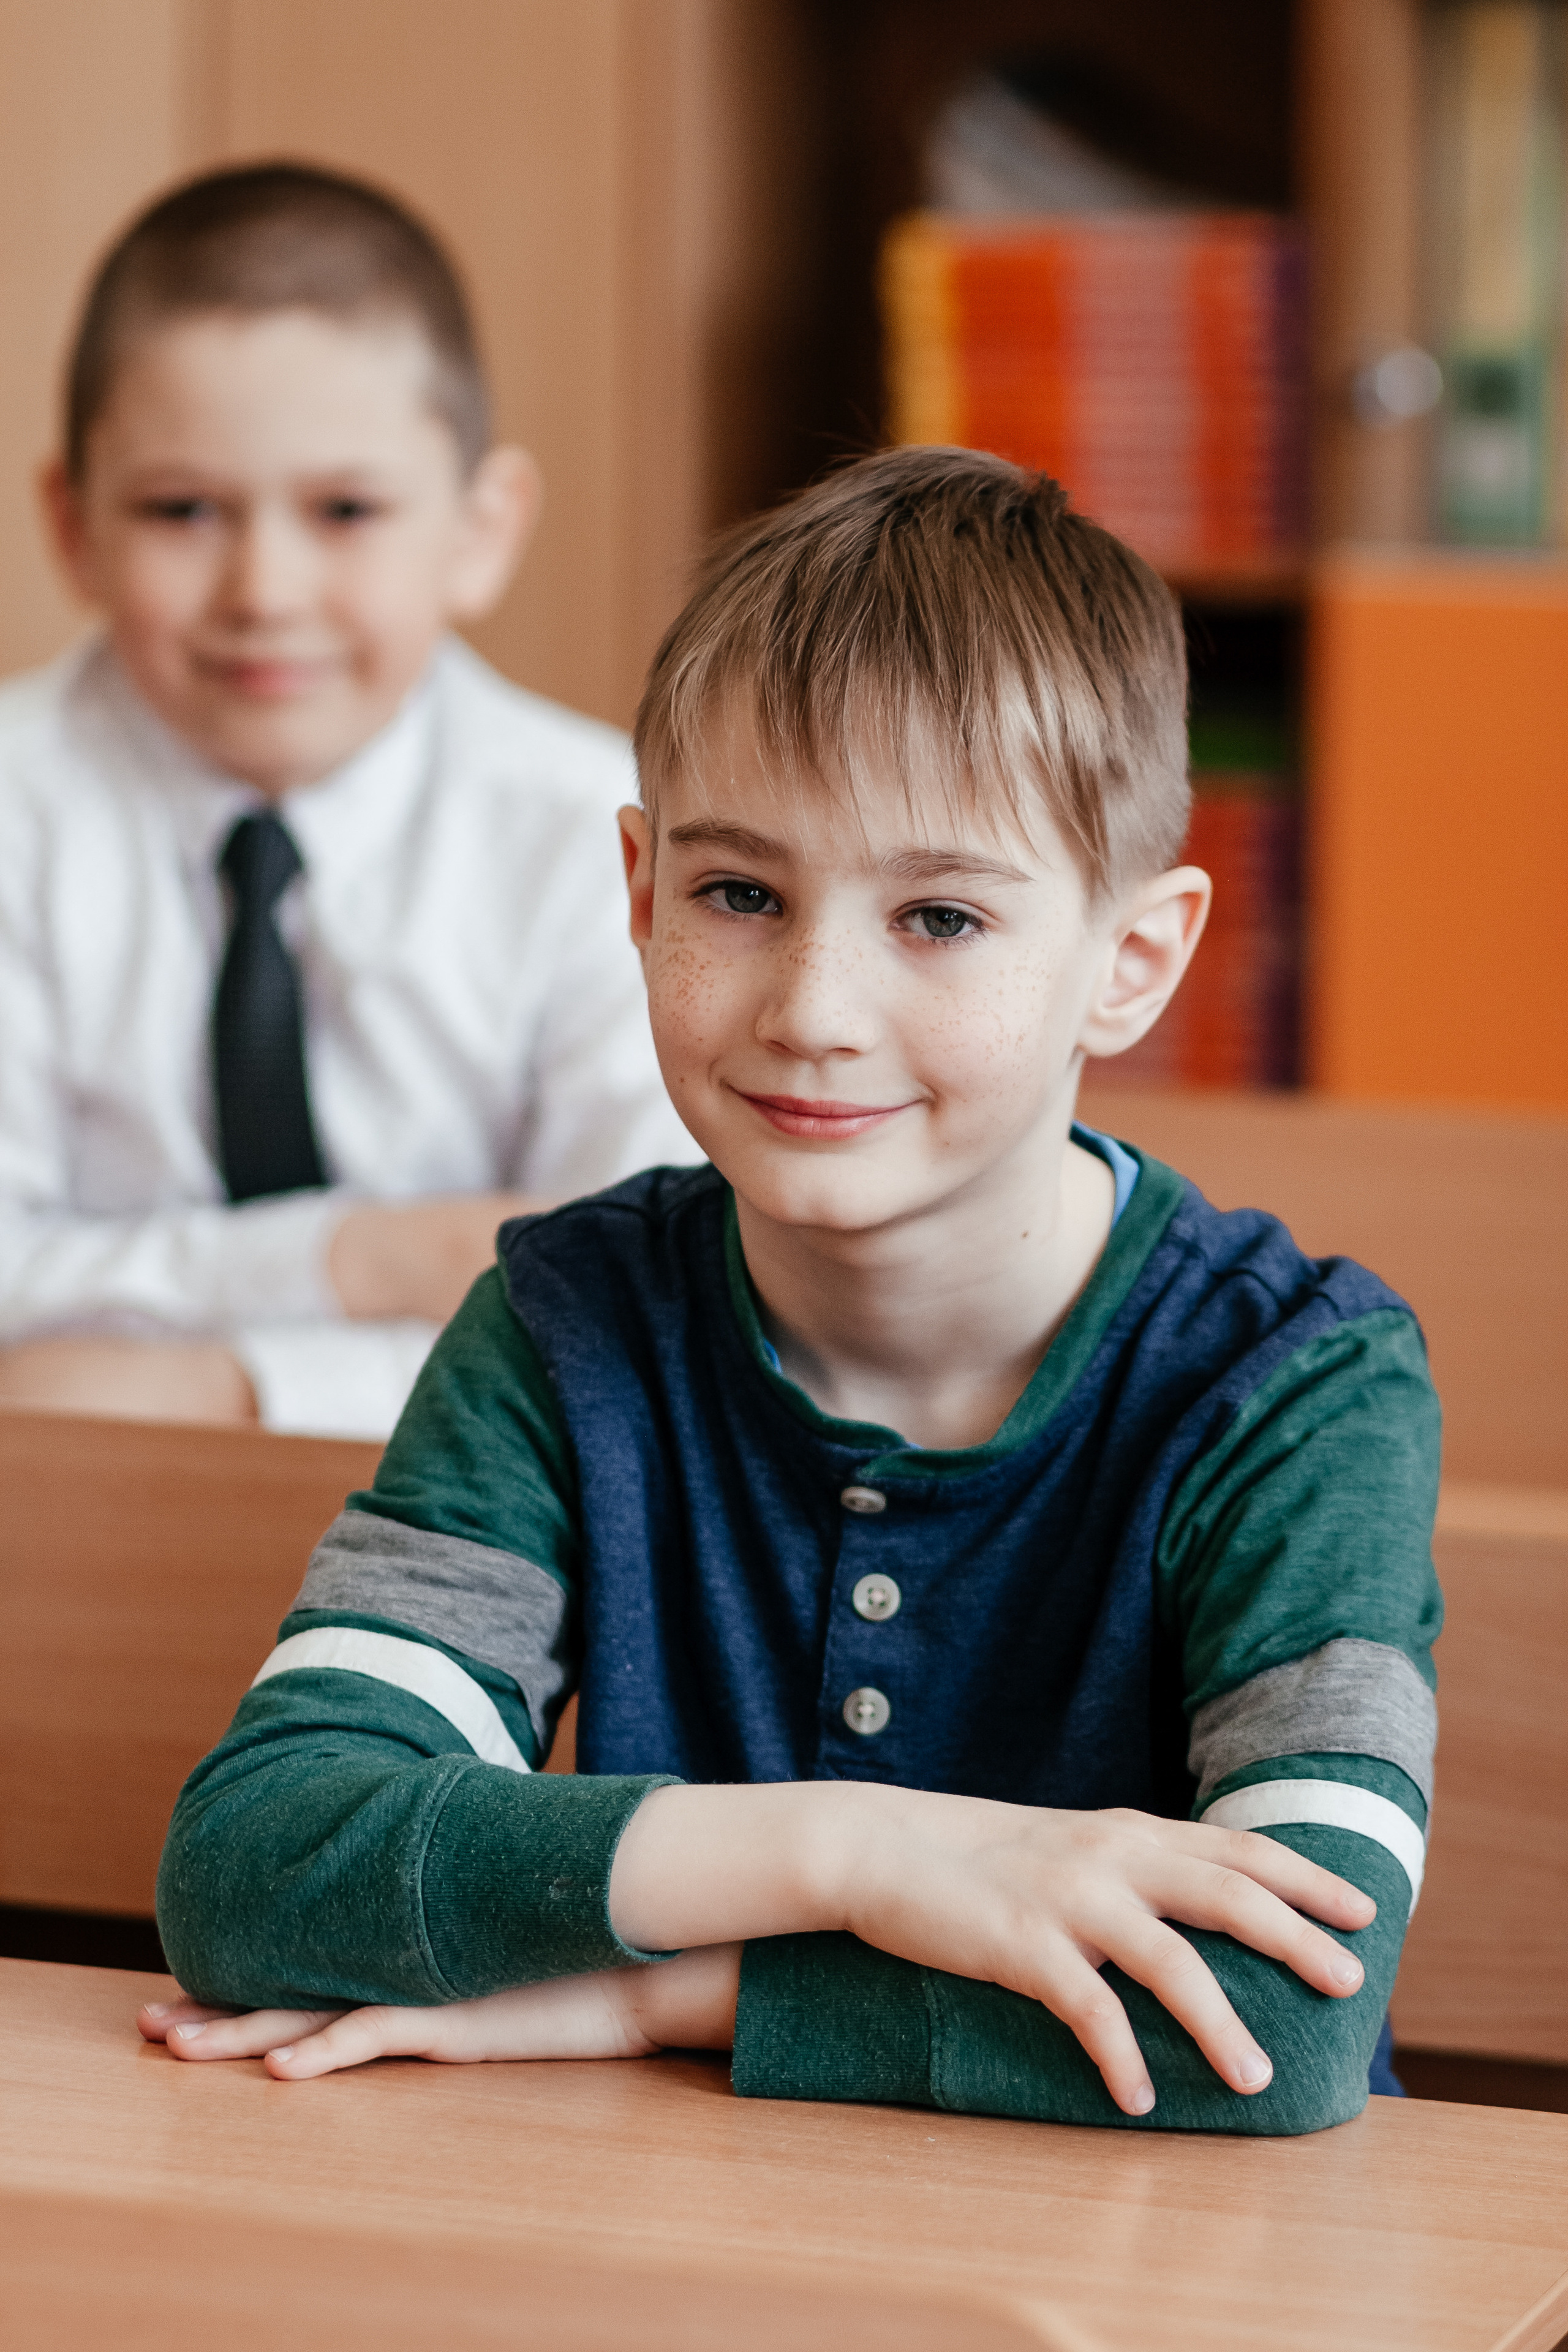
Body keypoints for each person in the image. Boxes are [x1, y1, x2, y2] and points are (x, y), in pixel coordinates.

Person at [143, 448, 1440, 2133]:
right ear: (637, 887)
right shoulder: (570, 1325)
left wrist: (655, 1998)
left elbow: (1280, 2019)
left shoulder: (1297, 1385)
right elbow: (259, 1866)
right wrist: (858, 1849)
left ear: (1133, 960)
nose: (815, 1005)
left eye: (943, 917)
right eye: (740, 893)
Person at [0, 162, 693, 1441]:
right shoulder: (16, 813)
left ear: (480, 530)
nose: (264, 588)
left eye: (345, 509)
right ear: (73, 524)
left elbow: (652, 1305)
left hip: (514, 1517)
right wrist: (355, 1263)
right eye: (183, 509)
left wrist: (235, 1385)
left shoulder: (594, 829)